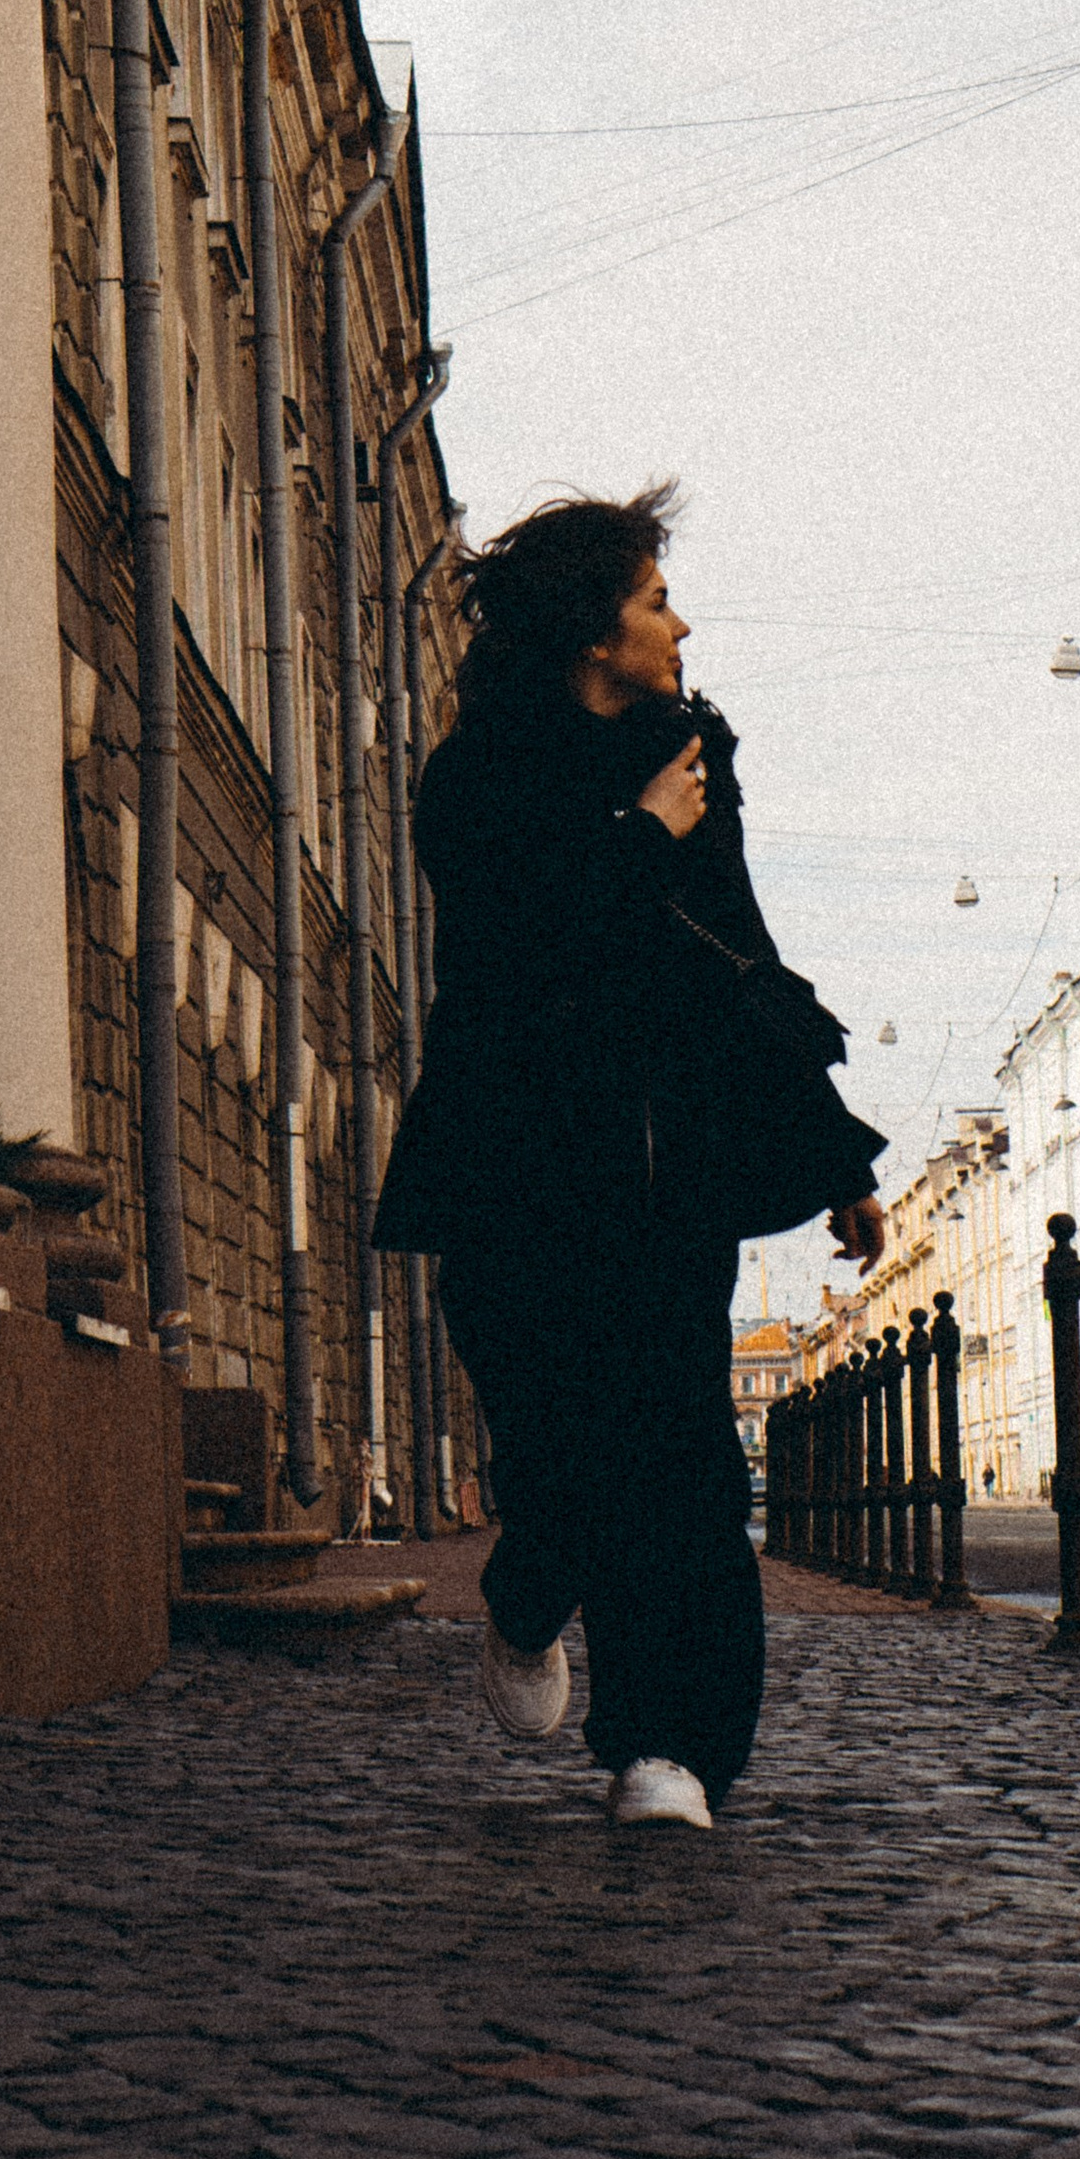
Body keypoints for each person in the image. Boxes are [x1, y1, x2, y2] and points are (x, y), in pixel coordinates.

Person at [372, 485, 884, 1833]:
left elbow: (742, 954)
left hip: (665, 1168)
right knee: (558, 1457)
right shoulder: (474, 779)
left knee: (683, 1462)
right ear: (592, 628)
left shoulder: (693, 763)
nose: (681, 625)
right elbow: (514, 959)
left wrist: (836, 1152)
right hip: (516, 1167)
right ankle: (527, 1592)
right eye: (658, 600)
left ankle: (669, 1750)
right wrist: (640, 834)